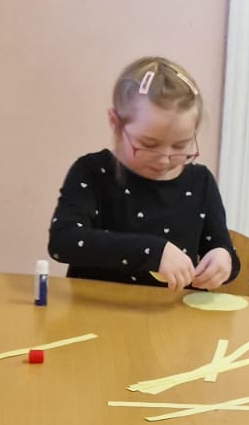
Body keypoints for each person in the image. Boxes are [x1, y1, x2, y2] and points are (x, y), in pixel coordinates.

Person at [48, 56, 239, 291]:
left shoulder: (201, 181)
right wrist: (152, 252)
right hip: (97, 307)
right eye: (149, 144)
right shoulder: (92, 172)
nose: (165, 158)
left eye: (180, 146)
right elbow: (63, 241)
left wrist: (222, 259)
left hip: (172, 311)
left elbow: (222, 249)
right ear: (115, 123)